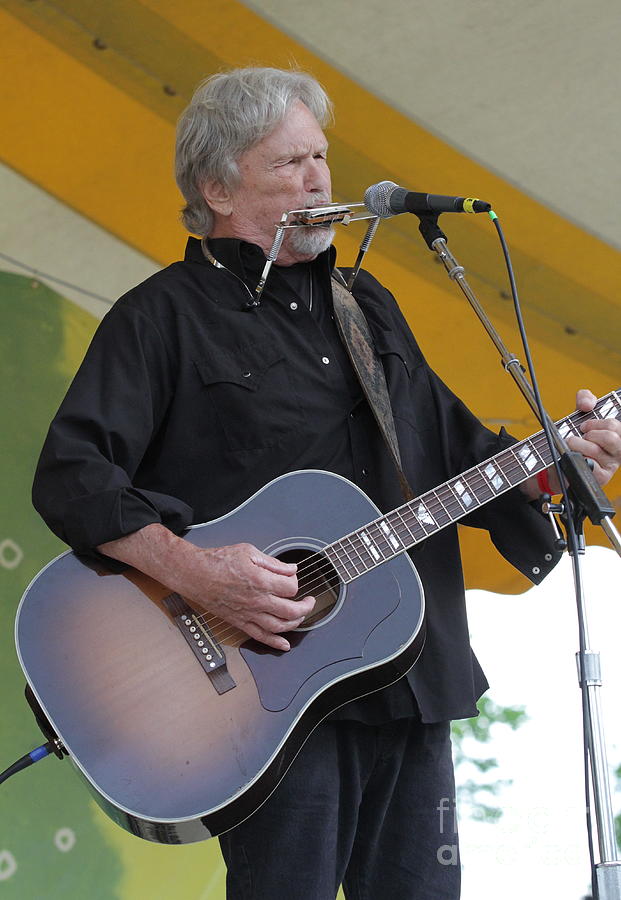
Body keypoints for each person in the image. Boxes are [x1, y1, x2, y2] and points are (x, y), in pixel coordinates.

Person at [32, 67, 621, 899]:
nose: (317, 179)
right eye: (289, 163)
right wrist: (198, 572)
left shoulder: (366, 305)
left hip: (408, 673)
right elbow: (72, 475)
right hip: (267, 692)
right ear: (216, 187)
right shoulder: (160, 317)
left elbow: (457, 456)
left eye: (320, 158)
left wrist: (559, 465)